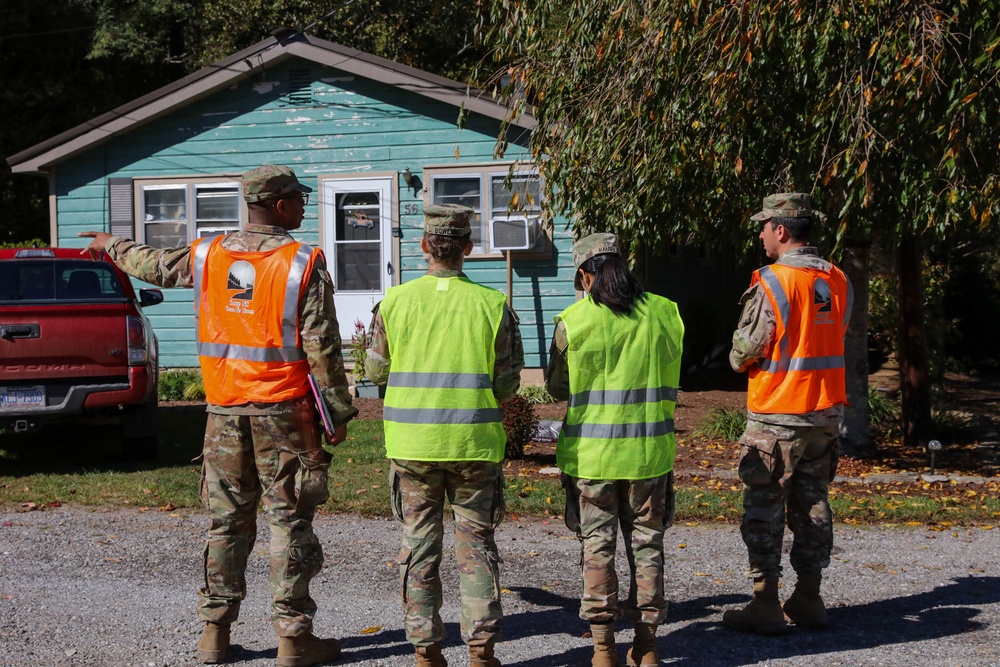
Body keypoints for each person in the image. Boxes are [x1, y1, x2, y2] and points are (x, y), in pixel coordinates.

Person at [80, 164, 358, 667]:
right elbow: (324, 347)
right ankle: (293, 639)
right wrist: (335, 413)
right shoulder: (301, 261)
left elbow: (155, 264)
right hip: (285, 414)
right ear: (277, 205)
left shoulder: (209, 254)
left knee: (226, 522)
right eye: (297, 198)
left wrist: (110, 244)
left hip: (225, 411)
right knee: (290, 522)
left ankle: (214, 633)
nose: (303, 206)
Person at [364, 203, 524, 667]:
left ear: (423, 247)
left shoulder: (393, 302)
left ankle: (426, 650)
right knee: (476, 547)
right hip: (474, 446)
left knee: (418, 547)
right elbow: (508, 383)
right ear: (468, 250)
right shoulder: (492, 304)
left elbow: (375, 370)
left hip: (413, 447)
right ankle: (481, 651)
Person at [545, 233, 684, 667]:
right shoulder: (666, 313)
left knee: (597, 548)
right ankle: (647, 648)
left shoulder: (574, 320)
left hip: (593, 459)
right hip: (649, 456)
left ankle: (603, 649)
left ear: (585, 275)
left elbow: (555, 386)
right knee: (648, 547)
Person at [723, 192, 853, 635]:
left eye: (764, 227)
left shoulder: (773, 281)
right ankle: (810, 596)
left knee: (764, 507)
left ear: (781, 230)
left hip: (779, 413)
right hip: (825, 413)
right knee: (813, 503)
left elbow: (745, 352)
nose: (760, 235)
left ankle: (765, 603)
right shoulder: (838, 280)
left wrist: (737, 353)